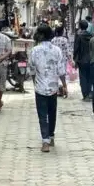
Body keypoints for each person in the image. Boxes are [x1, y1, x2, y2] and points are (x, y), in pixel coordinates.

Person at [27, 24, 67, 152]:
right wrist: (64, 85)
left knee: (42, 114)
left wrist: (35, 83)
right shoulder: (57, 50)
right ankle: (51, 136)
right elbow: (61, 70)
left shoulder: (34, 50)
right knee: (52, 112)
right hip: (53, 87)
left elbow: (32, 70)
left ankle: (45, 142)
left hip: (40, 87)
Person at [73, 19, 92, 101]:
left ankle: (85, 94)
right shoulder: (91, 36)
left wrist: (75, 59)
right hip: (91, 59)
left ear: (80, 26)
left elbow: (76, 48)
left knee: (83, 77)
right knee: (89, 76)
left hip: (82, 60)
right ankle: (89, 92)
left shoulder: (79, 36)